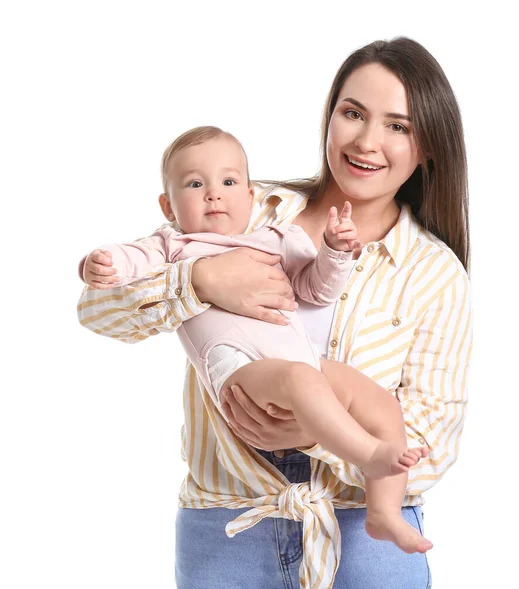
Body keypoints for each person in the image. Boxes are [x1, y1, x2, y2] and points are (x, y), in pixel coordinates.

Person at [77, 36, 472, 589]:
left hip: (365, 534)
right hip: (229, 528)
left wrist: (311, 432)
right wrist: (199, 280)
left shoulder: (435, 273)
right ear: (329, 117)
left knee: (377, 409)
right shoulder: (239, 208)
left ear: (428, 146)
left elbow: (430, 444)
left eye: (398, 126)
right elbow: (97, 310)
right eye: (352, 113)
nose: (366, 141)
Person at [80, 125, 432, 553]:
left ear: (250, 196)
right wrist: (101, 263)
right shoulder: (172, 245)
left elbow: (315, 289)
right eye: (195, 184)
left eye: (228, 182)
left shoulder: (275, 238)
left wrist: (335, 253)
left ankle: (383, 511)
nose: (214, 194)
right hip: (240, 367)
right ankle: (369, 454)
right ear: (167, 205)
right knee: (302, 382)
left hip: (301, 365)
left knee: (380, 403)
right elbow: (124, 267)